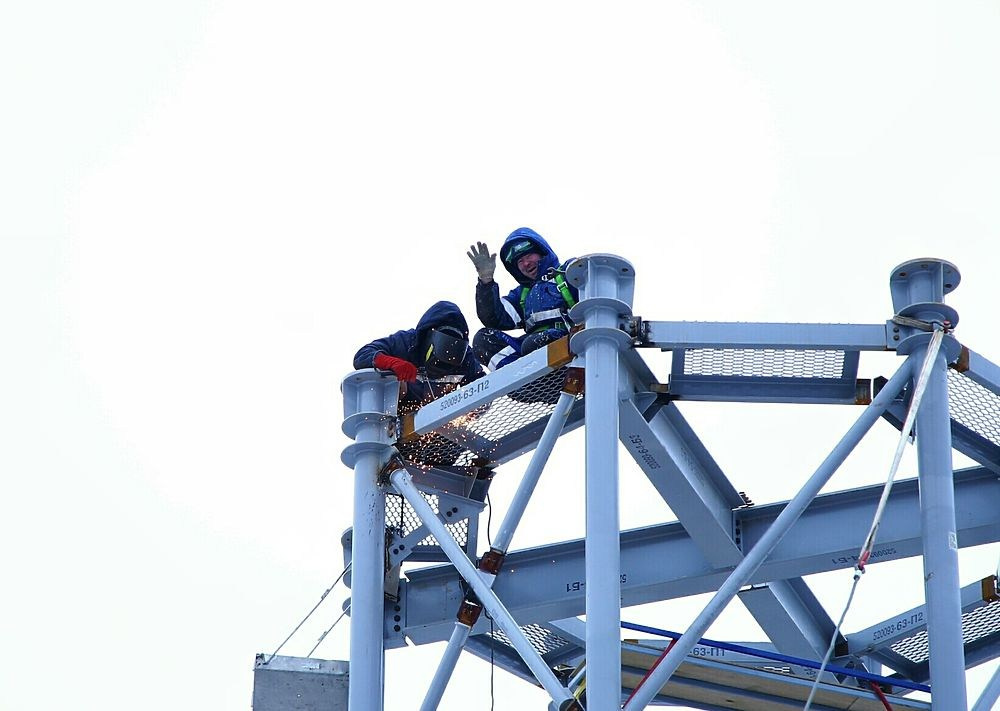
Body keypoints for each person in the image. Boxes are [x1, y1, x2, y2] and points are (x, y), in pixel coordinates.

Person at [467, 227, 579, 371]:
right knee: (483, 340)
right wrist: (486, 281)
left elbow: (596, 297)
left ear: (541, 252)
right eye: (520, 261)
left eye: (528, 256)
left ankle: (558, 375)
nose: (525, 264)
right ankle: (524, 385)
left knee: (531, 344)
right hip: (531, 350)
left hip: (568, 345)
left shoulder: (567, 273)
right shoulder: (522, 295)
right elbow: (494, 318)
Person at [353, 301, 486, 411]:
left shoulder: (467, 359)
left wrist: (472, 410)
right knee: (395, 386)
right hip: (401, 421)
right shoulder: (407, 342)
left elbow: (484, 388)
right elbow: (362, 356)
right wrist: (392, 363)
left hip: (443, 422)